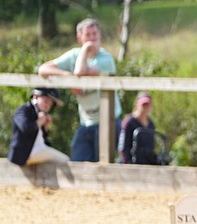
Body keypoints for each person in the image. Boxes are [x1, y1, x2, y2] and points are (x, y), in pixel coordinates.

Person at [38, 18, 120, 161]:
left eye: (94, 34)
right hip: (86, 122)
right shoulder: (74, 55)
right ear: (79, 37)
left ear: (100, 35)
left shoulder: (106, 59)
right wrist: (67, 75)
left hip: (109, 121)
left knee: (103, 166)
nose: (92, 39)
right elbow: (43, 69)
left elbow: (80, 72)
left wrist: (86, 49)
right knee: (78, 162)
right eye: (87, 35)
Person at [8, 88, 69, 166]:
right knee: (65, 161)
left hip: (36, 153)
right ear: (35, 97)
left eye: (51, 104)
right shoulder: (23, 110)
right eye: (46, 101)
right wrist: (39, 122)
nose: (48, 105)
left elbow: (43, 143)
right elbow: (25, 128)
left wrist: (45, 128)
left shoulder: (40, 115)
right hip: (24, 155)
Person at [118, 92, 160, 165]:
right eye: (143, 104)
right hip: (132, 165)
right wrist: (128, 164)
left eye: (148, 105)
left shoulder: (151, 124)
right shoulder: (129, 122)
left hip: (148, 166)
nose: (145, 107)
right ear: (137, 104)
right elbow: (123, 148)